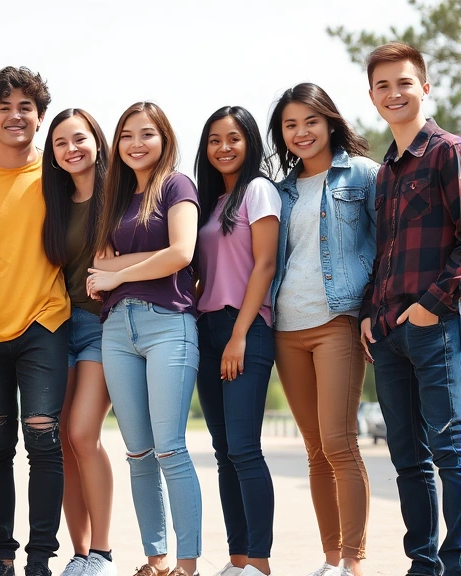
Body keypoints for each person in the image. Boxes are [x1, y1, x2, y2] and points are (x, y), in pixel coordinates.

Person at [0, 66, 70, 576]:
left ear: (40, 117)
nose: (14, 115)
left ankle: (41, 559)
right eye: (3, 107)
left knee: (44, 438)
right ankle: (1, 556)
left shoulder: (58, 175)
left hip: (44, 324)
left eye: (25, 106)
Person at [86, 101, 202, 576]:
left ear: (165, 139)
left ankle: (188, 563)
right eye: (128, 135)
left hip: (167, 323)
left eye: (147, 133)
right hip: (116, 331)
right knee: (137, 451)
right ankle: (155, 558)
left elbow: (180, 252)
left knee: (170, 447)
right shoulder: (113, 200)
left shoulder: (177, 184)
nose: (137, 143)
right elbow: (96, 267)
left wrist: (117, 274)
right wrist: (114, 273)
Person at [360, 42, 461, 576]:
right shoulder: (386, 173)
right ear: (372, 96)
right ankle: (422, 564)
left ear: (425, 87)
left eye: (404, 83)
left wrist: (430, 307)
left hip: (434, 327)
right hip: (388, 332)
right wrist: (370, 316)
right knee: (407, 460)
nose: (394, 93)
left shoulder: (449, 151)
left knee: (451, 451)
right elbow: (385, 251)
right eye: (383, 86)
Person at [268, 83, 376, 576]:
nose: (301, 132)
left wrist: (375, 309)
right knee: (315, 448)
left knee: (338, 441)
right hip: (288, 327)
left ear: (329, 121)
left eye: (310, 121)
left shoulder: (364, 175)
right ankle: (330, 559)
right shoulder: (282, 190)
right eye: (290, 125)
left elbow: (387, 246)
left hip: (338, 321)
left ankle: (353, 562)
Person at [194, 106, 280, 576]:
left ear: (249, 143)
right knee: (224, 450)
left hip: (244, 328)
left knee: (245, 448)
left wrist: (240, 334)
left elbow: (264, 265)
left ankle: (261, 564)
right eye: (214, 140)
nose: (224, 148)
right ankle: (239, 560)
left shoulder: (259, 191)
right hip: (207, 330)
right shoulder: (209, 203)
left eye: (233, 138)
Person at [41, 108, 116, 576]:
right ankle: (81, 552)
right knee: (62, 442)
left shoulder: (120, 195)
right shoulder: (56, 201)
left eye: (79, 139)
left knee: (84, 434)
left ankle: (104, 553)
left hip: (103, 326)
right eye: (60, 144)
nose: (71, 149)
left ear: (96, 141)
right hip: (58, 328)